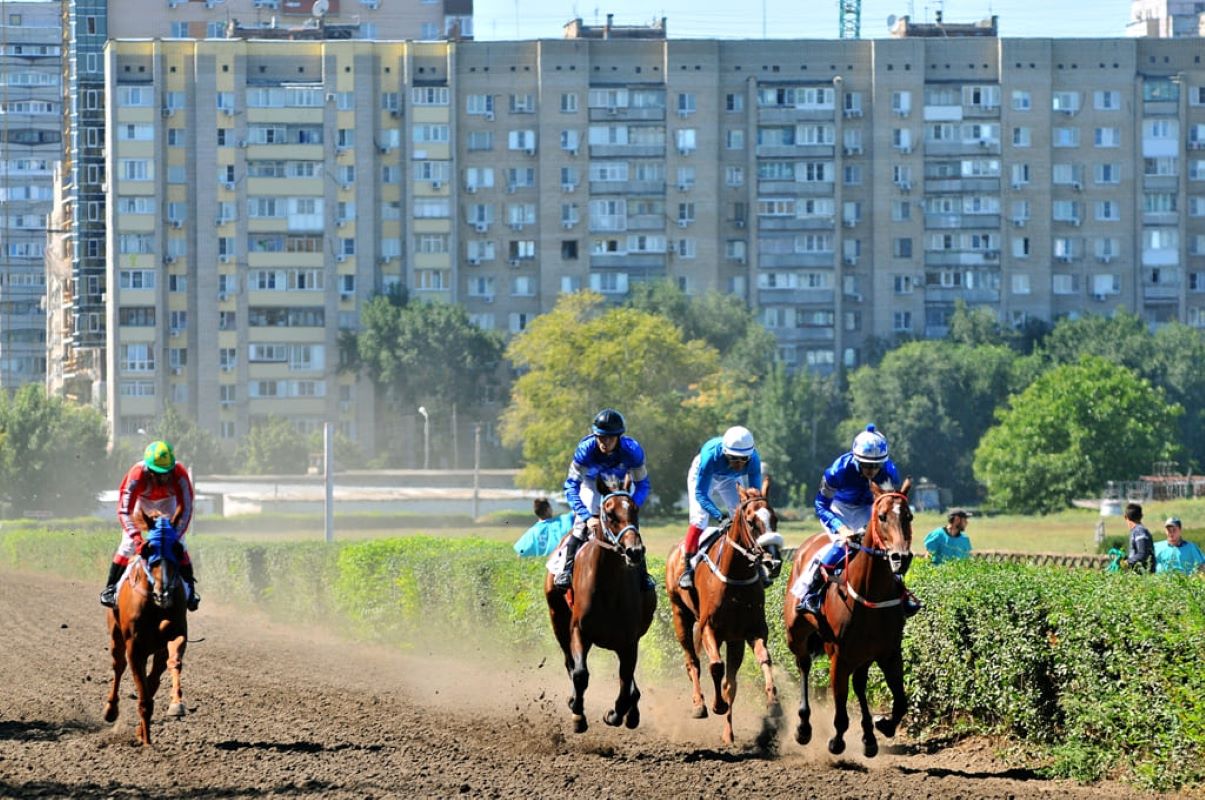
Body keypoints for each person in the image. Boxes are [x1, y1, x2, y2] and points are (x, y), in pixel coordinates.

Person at [796, 424, 919, 615]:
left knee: (888, 550)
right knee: (841, 545)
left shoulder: (890, 472)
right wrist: (841, 528)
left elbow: (887, 505)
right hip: (838, 509)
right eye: (866, 465)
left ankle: (902, 594)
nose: (871, 470)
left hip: (869, 508)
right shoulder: (837, 471)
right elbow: (821, 506)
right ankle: (810, 594)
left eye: (876, 465)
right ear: (856, 458)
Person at [557, 408, 653, 590]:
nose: (604, 442)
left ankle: (643, 575)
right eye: (600, 436)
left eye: (609, 437)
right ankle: (566, 570)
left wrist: (633, 506)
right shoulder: (585, 450)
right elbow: (571, 486)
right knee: (579, 526)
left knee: (630, 526)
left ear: (618, 437)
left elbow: (643, 485)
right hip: (592, 484)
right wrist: (587, 516)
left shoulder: (632, 451)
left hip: (619, 485)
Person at [100, 440, 200, 611]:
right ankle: (110, 588)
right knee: (127, 545)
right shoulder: (136, 474)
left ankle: (190, 591)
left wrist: (175, 535)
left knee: (179, 545)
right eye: (158, 473)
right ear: (148, 469)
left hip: (169, 504)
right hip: (142, 504)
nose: (163, 477)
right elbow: (124, 511)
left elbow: (187, 507)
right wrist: (138, 539)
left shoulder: (180, 473)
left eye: (167, 473)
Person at [678, 426, 762, 589]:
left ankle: (755, 561)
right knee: (700, 519)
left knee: (744, 515)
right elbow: (701, 495)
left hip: (730, 479)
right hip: (704, 474)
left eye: (743, 459)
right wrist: (719, 517)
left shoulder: (754, 461)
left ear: (750, 456)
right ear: (724, 452)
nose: (738, 464)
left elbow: (754, 499)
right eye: (733, 458)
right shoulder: (710, 457)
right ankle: (687, 568)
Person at [1123, 502, 1155, 574]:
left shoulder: (1139, 531)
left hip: (1143, 577)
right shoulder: (1139, 530)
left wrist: (1127, 562)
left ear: (1125, 517)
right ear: (1141, 516)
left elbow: (1142, 554)